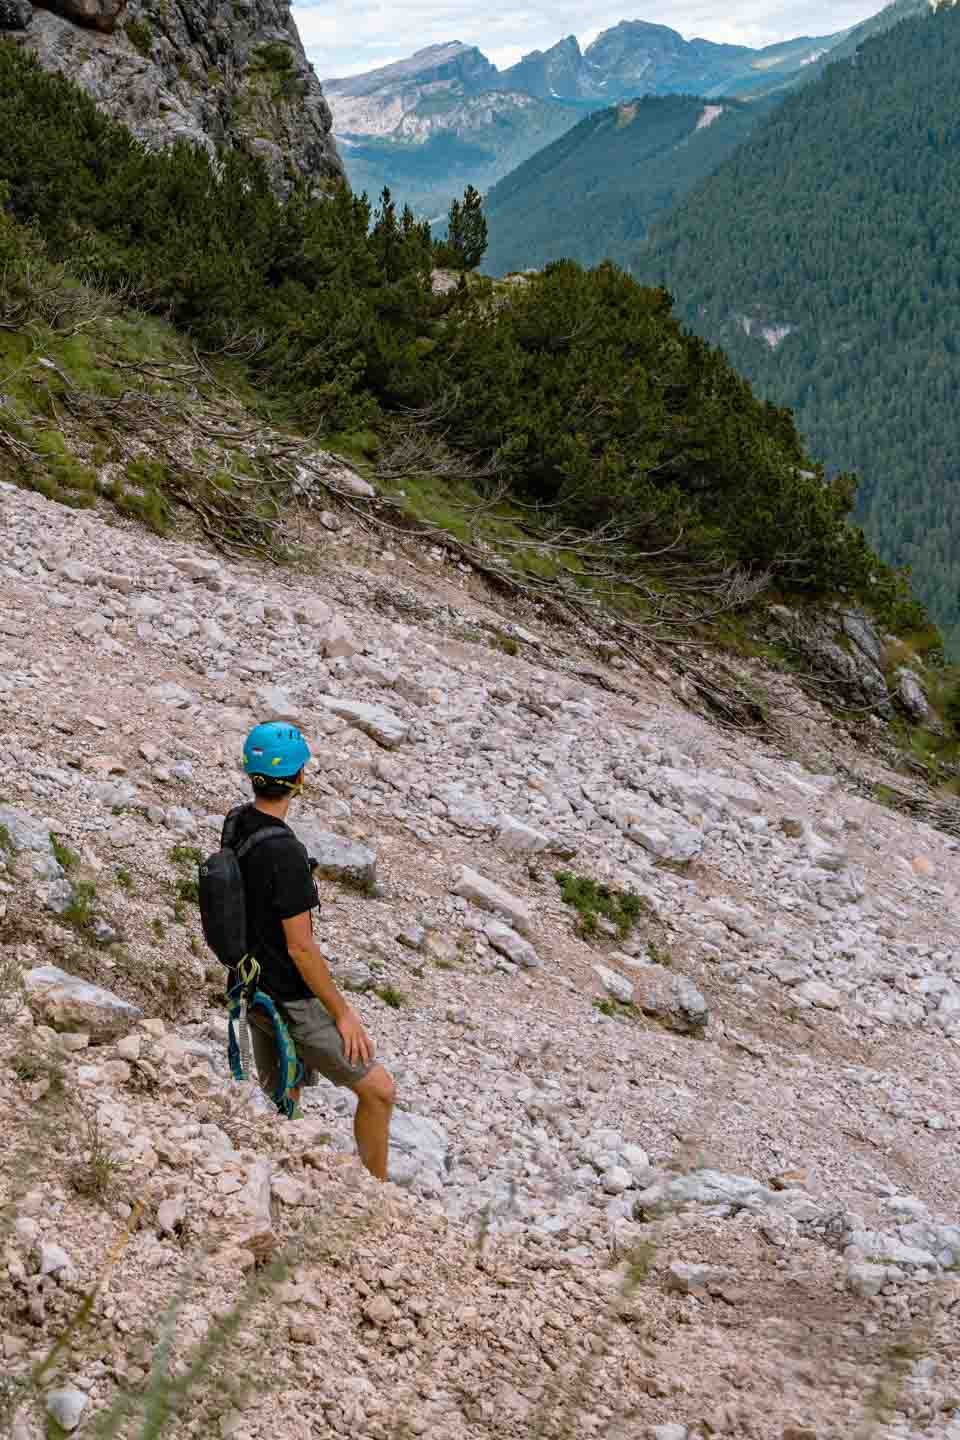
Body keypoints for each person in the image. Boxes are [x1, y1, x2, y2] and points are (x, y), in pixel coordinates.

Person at [229, 720, 395, 1180]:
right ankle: (376, 1193)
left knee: (284, 1096)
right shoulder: (285, 852)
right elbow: (302, 948)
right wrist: (342, 1012)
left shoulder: (238, 824)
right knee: (379, 1091)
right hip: (289, 995)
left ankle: (287, 1182)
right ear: (300, 778)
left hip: (249, 985)